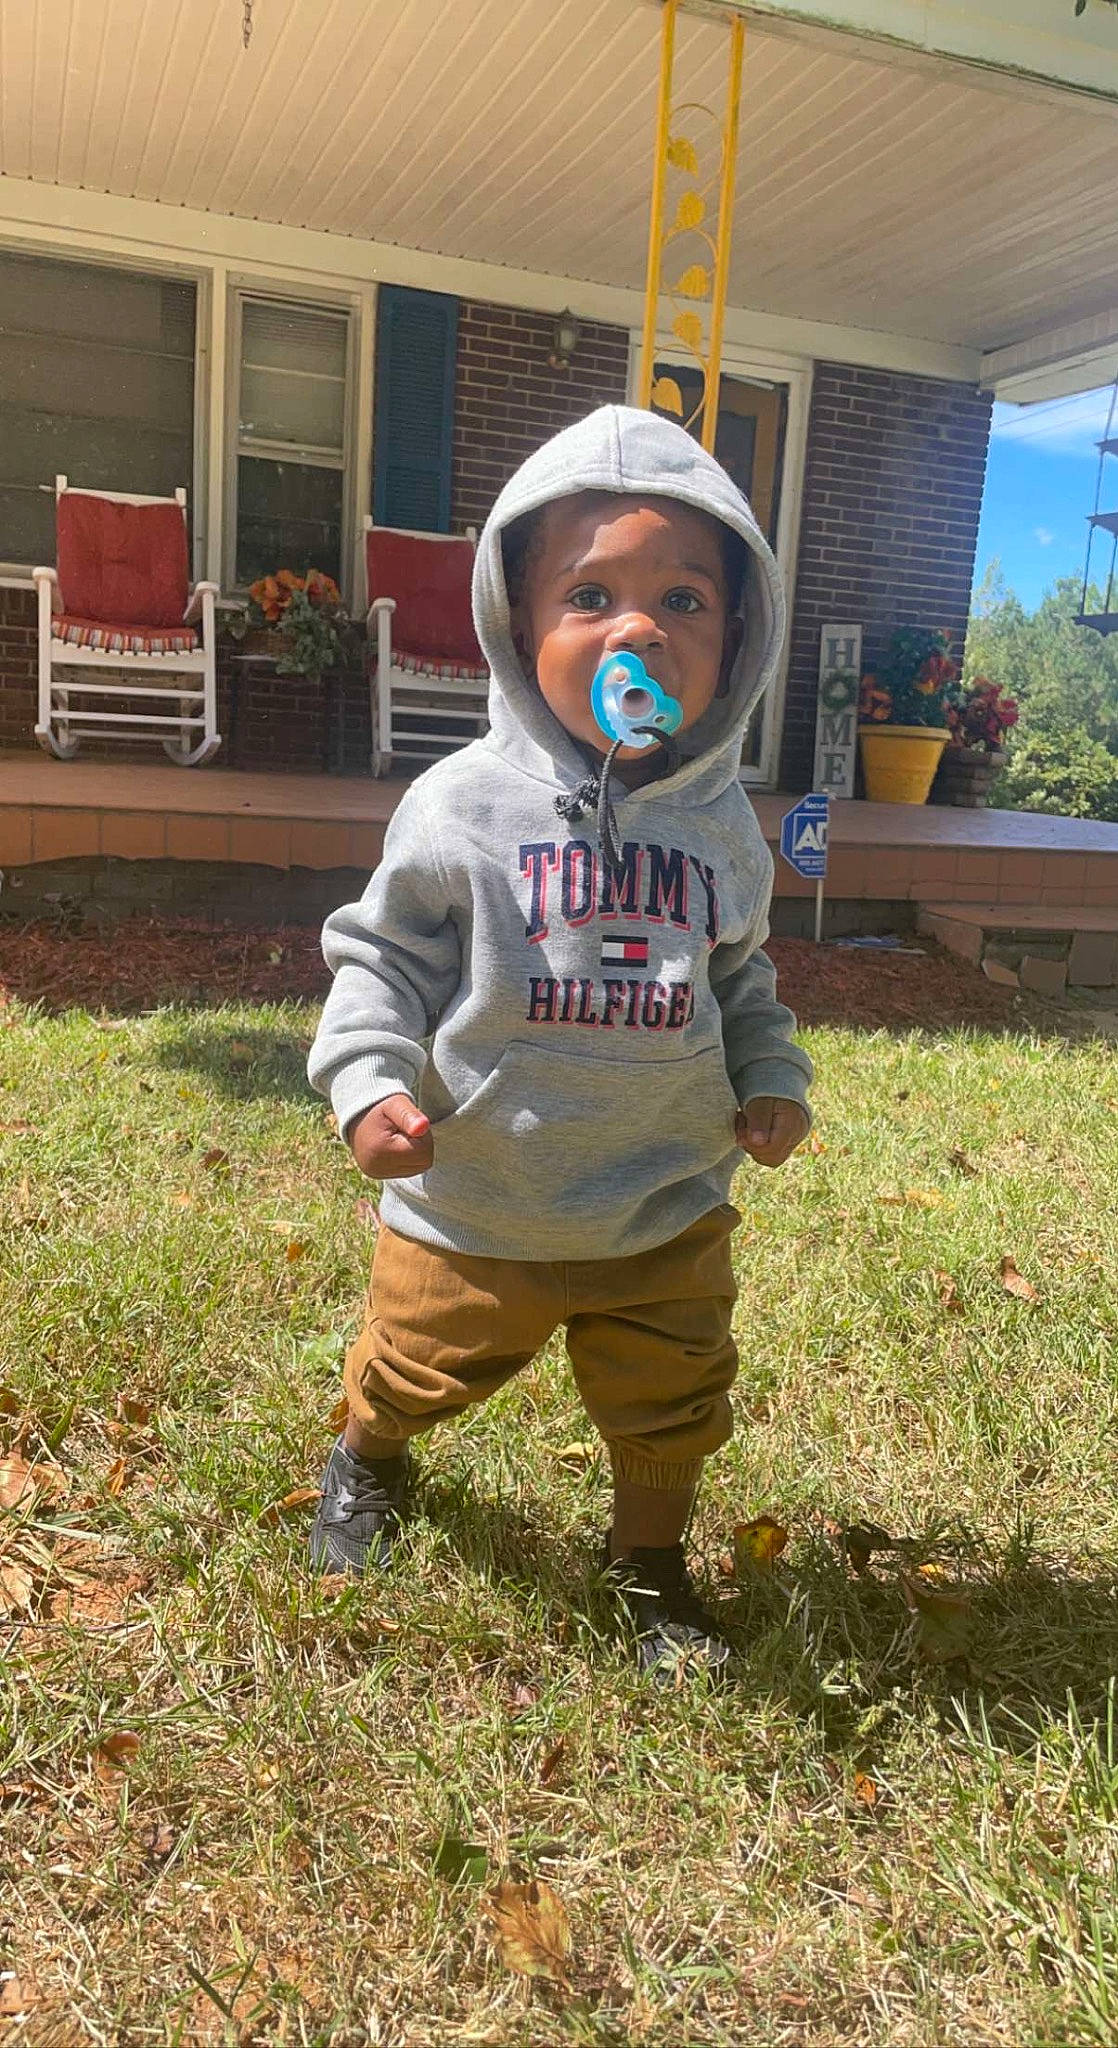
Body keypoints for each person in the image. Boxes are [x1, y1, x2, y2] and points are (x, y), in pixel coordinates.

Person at [306, 404, 812, 1683]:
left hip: (662, 1203)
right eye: (590, 593)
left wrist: (769, 1075)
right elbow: (382, 958)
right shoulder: (460, 803)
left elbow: (741, 978)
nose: (638, 630)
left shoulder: (722, 829)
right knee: (414, 1366)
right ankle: (367, 1455)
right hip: (479, 1199)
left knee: (672, 1399)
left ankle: (649, 1567)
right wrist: (368, 1082)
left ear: (735, 640)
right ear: (515, 624)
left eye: (685, 599)